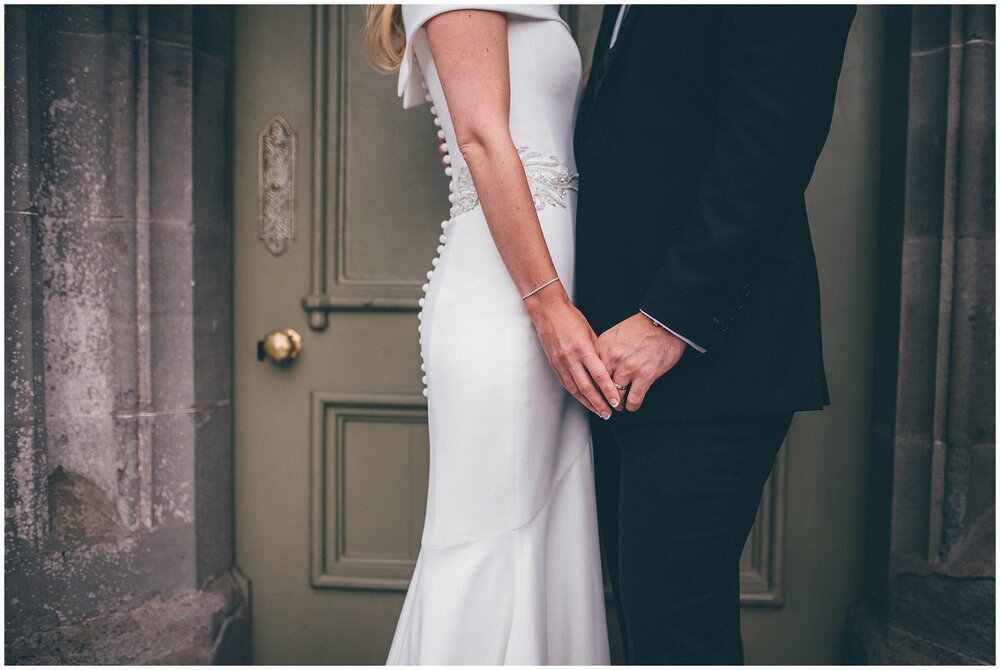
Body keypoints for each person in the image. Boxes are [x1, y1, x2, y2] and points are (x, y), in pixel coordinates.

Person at [574, 5, 856, 664]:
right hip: (617, 362)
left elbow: (774, 137)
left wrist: (671, 320)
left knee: (679, 645)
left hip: (708, 365)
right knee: (649, 638)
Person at [364, 4, 616, 664]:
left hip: (548, 297)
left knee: (547, 547)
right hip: (510, 305)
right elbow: (479, 136)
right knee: (487, 548)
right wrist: (549, 305)